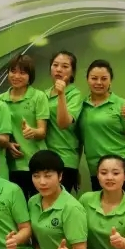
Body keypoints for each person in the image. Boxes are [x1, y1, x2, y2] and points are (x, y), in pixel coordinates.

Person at [27, 150, 97, 249]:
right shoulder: (33, 202)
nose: (42, 182)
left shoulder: (72, 208)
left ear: (60, 176)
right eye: (36, 176)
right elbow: (35, 240)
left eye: (48, 176)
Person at [78, 59, 125, 199]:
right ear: (87, 80)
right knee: (101, 207)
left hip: (123, 164)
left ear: (110, 81)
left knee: (123, 207)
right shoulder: (81, 105)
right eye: (94, 78)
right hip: (97, 168)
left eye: (104, 79)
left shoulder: (120, 103)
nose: (99, 82)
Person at [0, 54, 49, 199]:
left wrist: (32, 132)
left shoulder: (38, 96)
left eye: (22, 73)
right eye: (13, 71)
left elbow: (42, 131)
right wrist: (8, 145)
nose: (16, 76)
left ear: (30, 76)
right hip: (11, 164)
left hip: (36, 162)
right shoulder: (1, 100)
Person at [44, 51, 82, 192]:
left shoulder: (75, 94)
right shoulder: (43, 94)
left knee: (60, 202)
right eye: (55, 65)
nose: (59, 69)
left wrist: (61, 95)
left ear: (72, 72)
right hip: (44, 157)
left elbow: (63, 123)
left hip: (65, 159)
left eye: (65, 66)